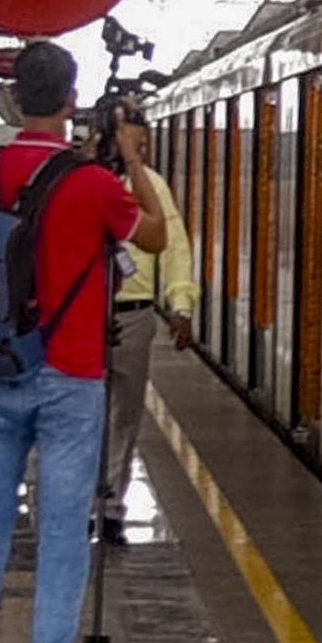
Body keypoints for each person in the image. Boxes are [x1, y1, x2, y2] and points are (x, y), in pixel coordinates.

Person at [0, 39, 166, 643]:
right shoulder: (93, 182)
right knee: (64, 522)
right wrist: (127, 158)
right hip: (70, 370)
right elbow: (153, 234)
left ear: (14, 99)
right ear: (71, 101)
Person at [96, 92, 197, 534]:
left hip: (134, 315)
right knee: (83, 414)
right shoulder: (84, 178)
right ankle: (82, 503)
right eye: (129, 131)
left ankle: (111, 507)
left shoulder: (151, 186)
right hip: (82, 315)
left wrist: (180, 303)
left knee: (123, 416)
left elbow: (172, 247)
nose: (139, 141)